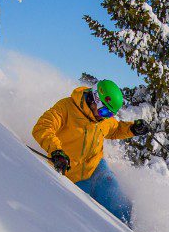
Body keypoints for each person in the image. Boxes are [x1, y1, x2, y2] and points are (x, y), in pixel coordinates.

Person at [32, 79, 150, 224]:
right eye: (104, 111)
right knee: (87, 220)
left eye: (109, 114)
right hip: (72, 176)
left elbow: (115, 129)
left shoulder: (102, 119)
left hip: (98, 168)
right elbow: (43, 127)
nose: (104, 117)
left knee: (120, 209)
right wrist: (56, 151)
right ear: (94, 98)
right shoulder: (66, 108)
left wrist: (132, 128)